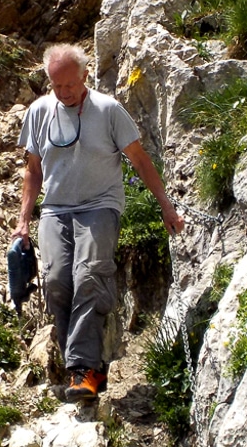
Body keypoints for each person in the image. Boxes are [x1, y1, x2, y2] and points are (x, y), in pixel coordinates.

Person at [11, 44, 185, 401]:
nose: (65, 92)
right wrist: (23, 222)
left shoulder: (108, 110)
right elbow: (33, 170)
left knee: (90, 274)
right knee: (58, 281)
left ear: (85, 76)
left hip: (100, 206)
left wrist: (166, 206)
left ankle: (84, 370)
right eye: (57, 86)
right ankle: (84, 365)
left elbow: (140, 161)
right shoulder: (40, 112)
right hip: (56, 208)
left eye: (71, 85)